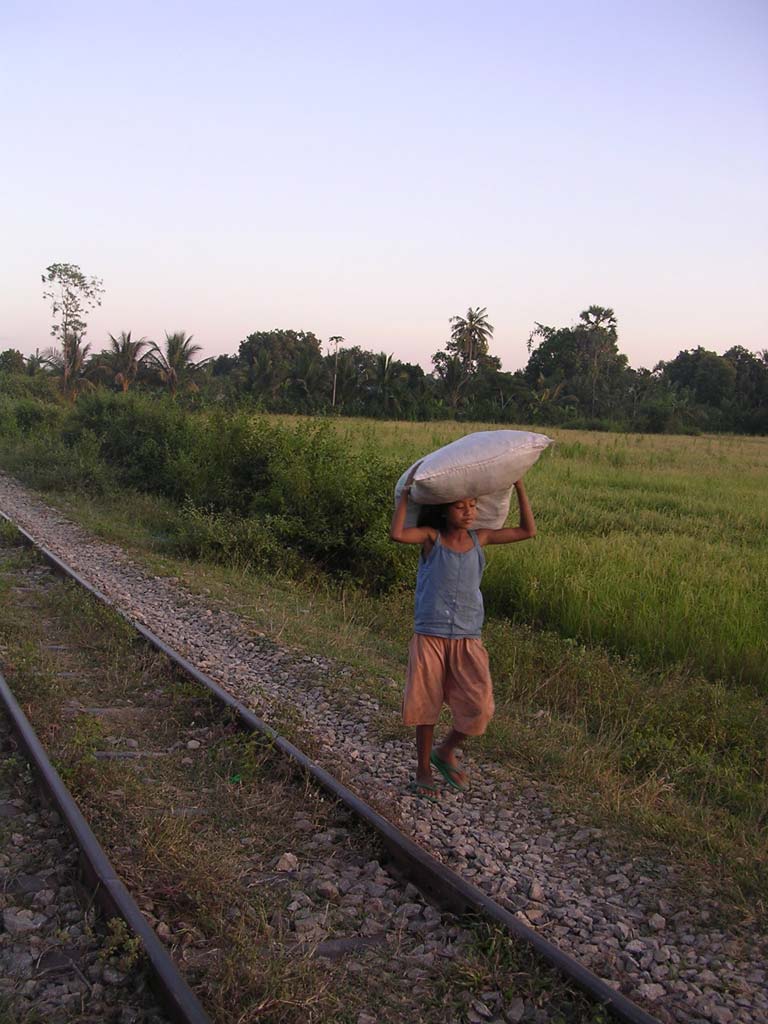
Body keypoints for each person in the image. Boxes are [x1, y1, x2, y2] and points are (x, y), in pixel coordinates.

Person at [390, 468, 536, 799]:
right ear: (444, 510)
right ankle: (423, 771)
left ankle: (446, 750)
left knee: (480, 705)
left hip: (468, 635)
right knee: (425, 705)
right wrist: (404, 495)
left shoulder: (479, 539)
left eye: (473, 505)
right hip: (430, 633)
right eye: (461, 506)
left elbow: (528, 530)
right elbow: (398, 534)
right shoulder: (431, 538)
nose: (469, 512)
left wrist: (519, 485)